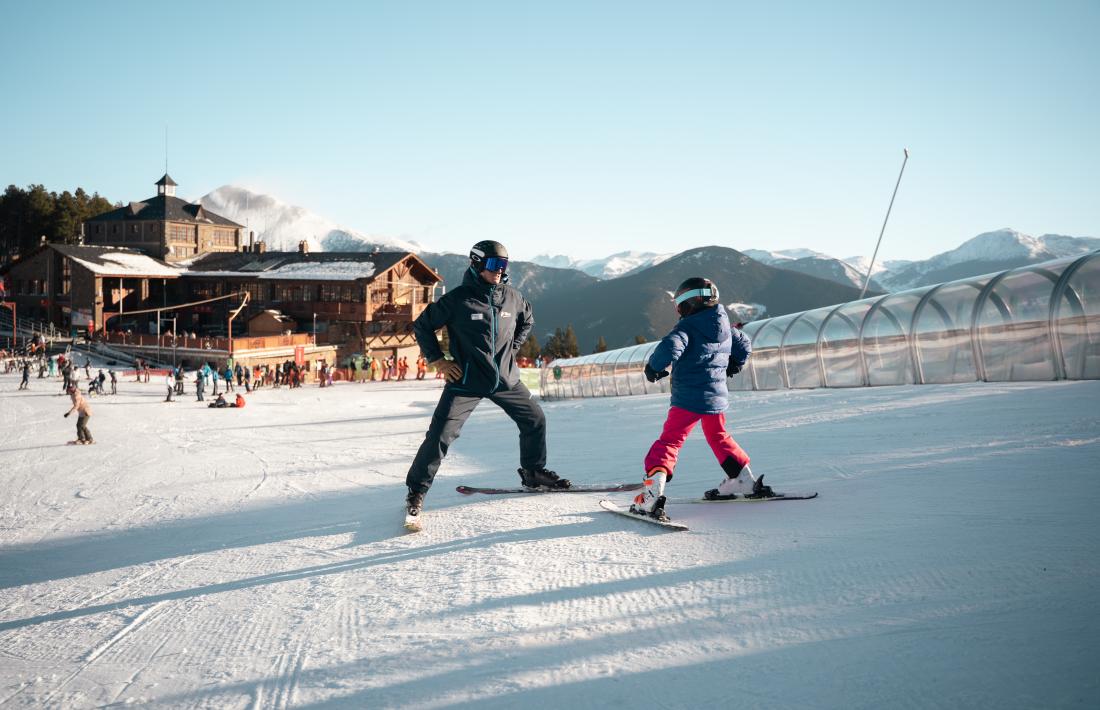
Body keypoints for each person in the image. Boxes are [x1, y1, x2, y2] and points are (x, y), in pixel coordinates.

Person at [404, 240, 569, 521]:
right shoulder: (458, 299)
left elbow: (527, 320)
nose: (499, 271)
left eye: (504, 266)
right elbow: (422, 326)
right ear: (477, 263)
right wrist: (438, 360)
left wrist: (512, 350)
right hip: (466, 380)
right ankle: (417, 489)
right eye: (494, 265)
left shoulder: (513, 297)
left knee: (535, 419)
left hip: (506, 379)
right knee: (440, 434)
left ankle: (533, 473)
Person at [631, 277, 771, 522]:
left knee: (670, 442)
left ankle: (651, 496)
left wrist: (653, 368)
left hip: (687, 399)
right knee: (719, 437)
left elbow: (669, 348)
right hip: (716, 399)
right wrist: (734, 363)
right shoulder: (725, 325)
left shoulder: (686, 328)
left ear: (688, 304)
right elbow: (744, 344)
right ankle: (743, 481)